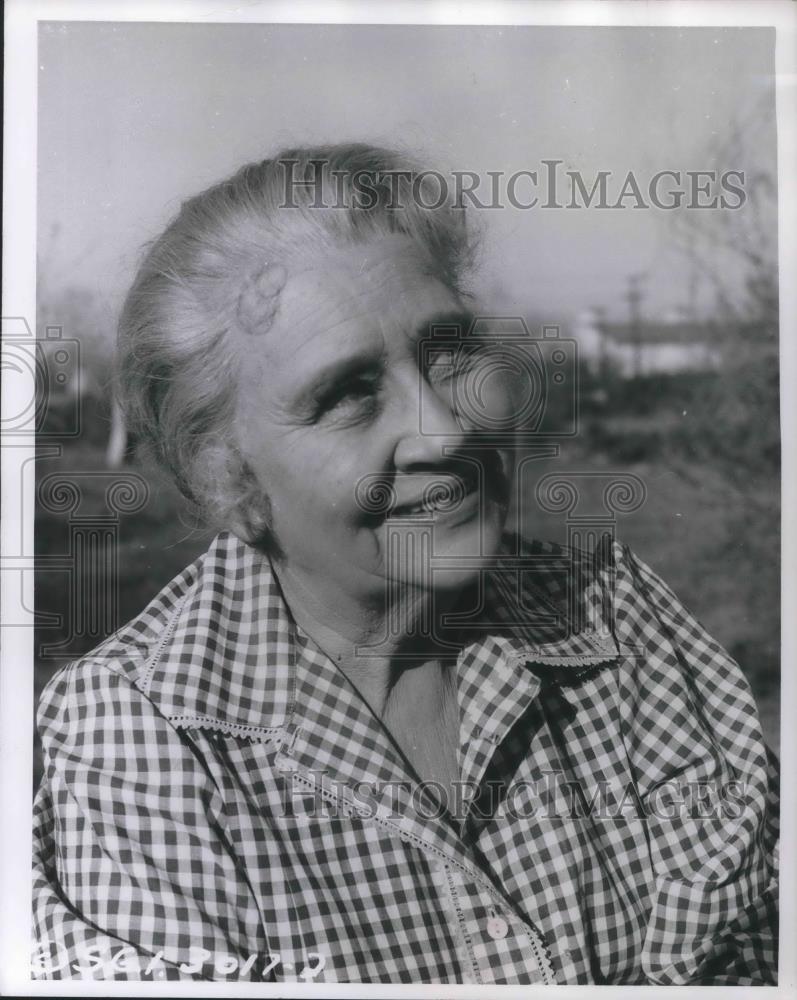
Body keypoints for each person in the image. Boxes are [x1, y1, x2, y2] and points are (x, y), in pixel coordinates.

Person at [32, 144, 778, 984]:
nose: (445, 431)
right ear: (226, 481)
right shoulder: (139, 740)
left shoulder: (609, 615)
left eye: (447, 351)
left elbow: (745, 957)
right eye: (348, 393)